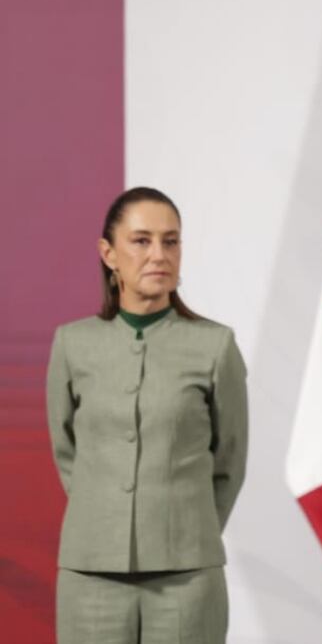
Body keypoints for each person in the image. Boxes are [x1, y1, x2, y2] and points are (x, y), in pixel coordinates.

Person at [46, 187, 248, 643]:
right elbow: (67, 451)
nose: (159, 254)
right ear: (108, 253)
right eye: (141, 241)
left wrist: (186, 528)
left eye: (170, 241)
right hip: (89, 574)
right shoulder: (72, 344)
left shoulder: (215, 346)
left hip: (188, 577)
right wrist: (105, 517)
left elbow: (229, 463)